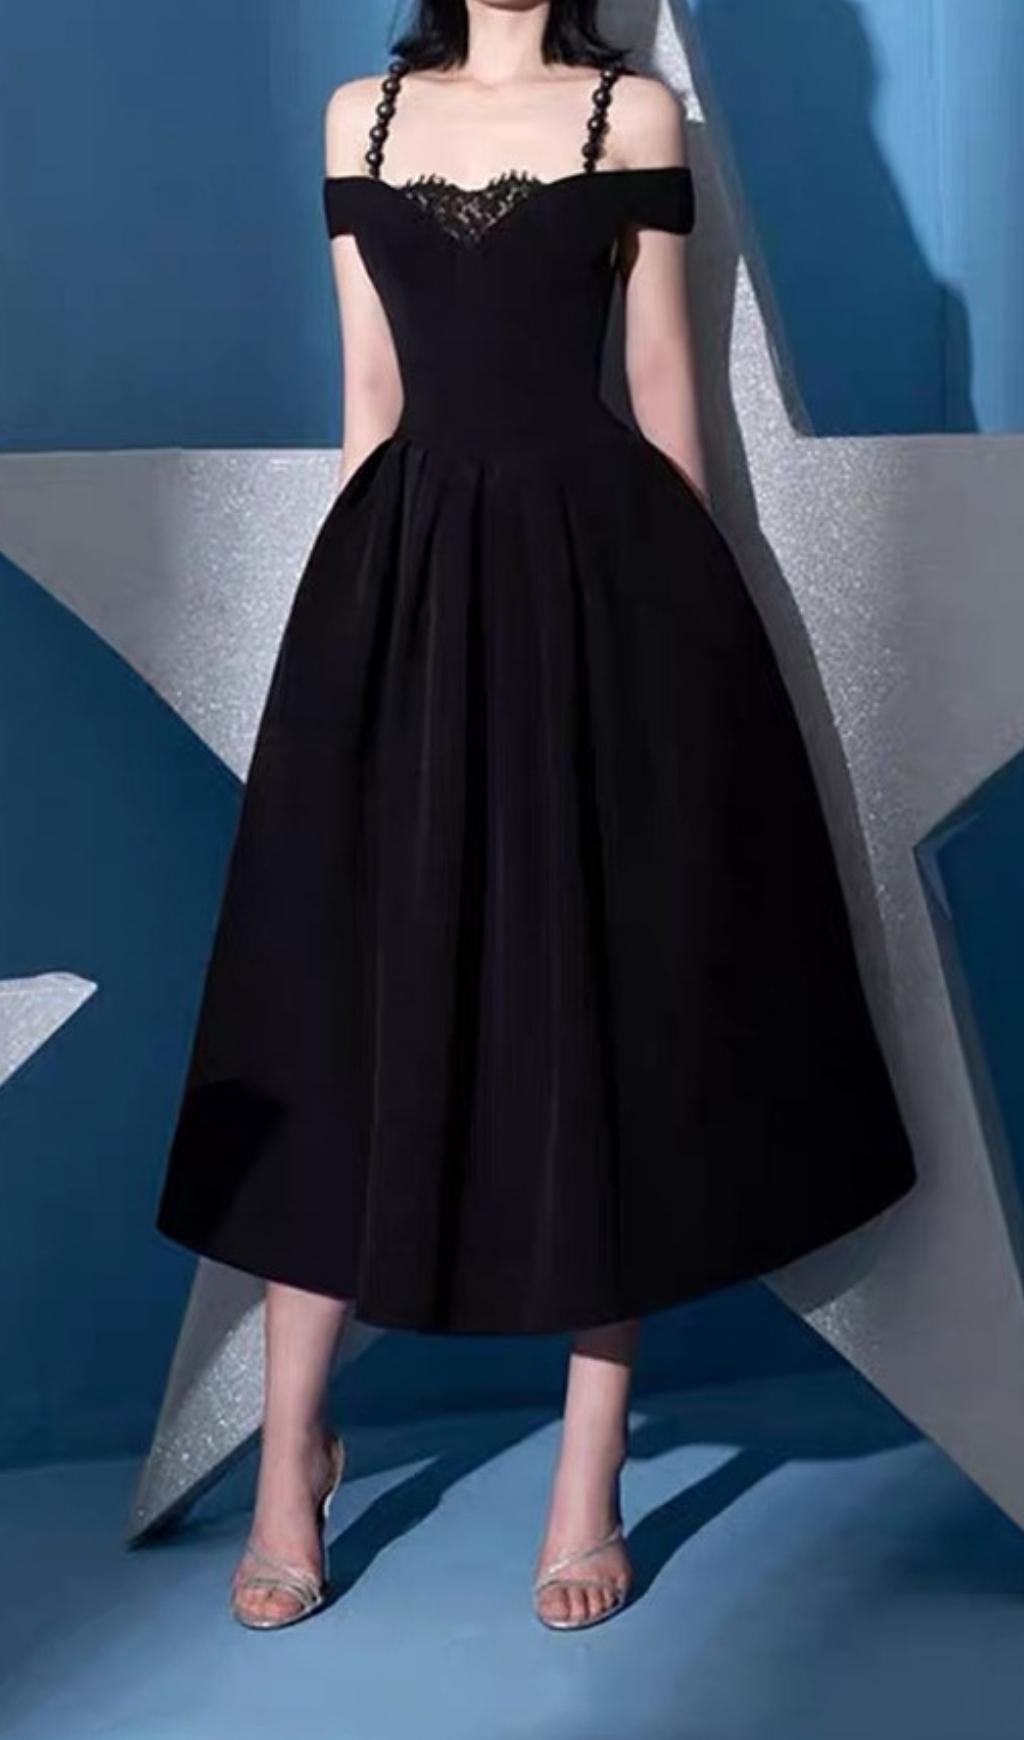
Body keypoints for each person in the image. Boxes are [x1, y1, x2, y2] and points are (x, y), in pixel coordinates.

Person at [155, 0, 917, 1634]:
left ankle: (589, 1476)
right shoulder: (358, 117)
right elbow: (371, 397)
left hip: (603, 593)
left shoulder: (629, 117)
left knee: (604, 1002)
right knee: (335, 1016)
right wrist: (350, 645)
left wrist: (691, 671)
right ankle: (292, 1462)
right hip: (398, 589)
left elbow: (667, 402)